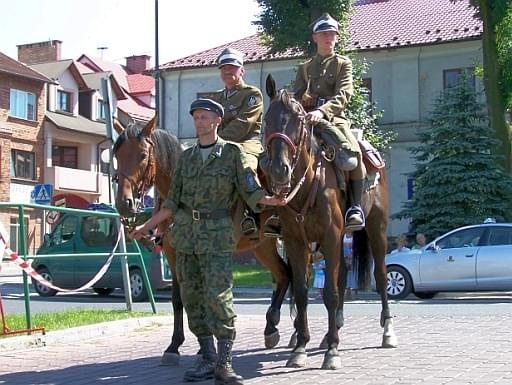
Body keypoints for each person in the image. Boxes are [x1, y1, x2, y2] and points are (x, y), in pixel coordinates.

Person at [130, 98, 287, 385]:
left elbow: (250, 190)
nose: (199, 122)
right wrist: (147, 225)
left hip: (217, 235)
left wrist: (270, 199)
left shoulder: (232, 153)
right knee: (192, 299)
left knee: (219, 297)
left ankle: (224, 362)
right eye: (196, 117)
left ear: (217, 120)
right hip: (186, 236)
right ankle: (206, 356)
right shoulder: (187, 159)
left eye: (205, 117)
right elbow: (173, 201)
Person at [294, 13, 366, 231]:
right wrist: (297, 104)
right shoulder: (305, 67)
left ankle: (354, 207)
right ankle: (280, 211)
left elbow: (344, 94)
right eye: (324, 34)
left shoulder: (343, 64)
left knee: (354, 156)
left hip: (334, 120)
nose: (329, 38)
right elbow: (296, 95)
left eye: (332, 34)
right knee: (282, 151)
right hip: (306, 120)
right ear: (315, 38)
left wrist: (322, 112)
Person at [212, 47, 264, 237]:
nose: (228, 71)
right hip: (219, 144)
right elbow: (209, 122)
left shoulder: (252, 94)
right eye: (224, 68)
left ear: (242, 70)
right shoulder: (217, 98)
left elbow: (244, 124)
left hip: (247, 143)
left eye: (232, 67)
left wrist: (216, 140)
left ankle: (251, 215)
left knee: (245, 165)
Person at [343, 229, 358, 300]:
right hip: (344, 257)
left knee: (353, 274)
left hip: (353, 257)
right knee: (346, 274)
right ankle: (347, 291)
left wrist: (350, 257)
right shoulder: (343, 236)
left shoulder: (354, 237)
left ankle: (354, 292)